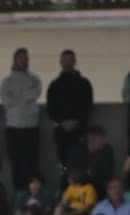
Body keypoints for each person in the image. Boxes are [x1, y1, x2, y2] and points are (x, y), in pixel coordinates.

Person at [47, 50, 94, 183]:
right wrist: (62, 122)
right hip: (61, 131)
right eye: (65, 60)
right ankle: (65, 187)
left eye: (70, 60)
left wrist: (77, 121)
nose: (68, 63)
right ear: (61, 62)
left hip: (79, 130)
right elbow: (50, 108)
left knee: (79, 162)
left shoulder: (84, 83)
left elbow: (88, 106)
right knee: (64, 163)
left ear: (74, 62)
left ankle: (80, 187)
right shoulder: (55, 85)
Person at [1, 48, 43, 191]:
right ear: (14, 60)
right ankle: (18, 193)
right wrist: (24, 97)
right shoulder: (6, 82)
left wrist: (17, 97)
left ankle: (32, 193)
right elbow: (6, 101)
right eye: (21, 58)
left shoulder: (34, 79)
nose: (24, 61)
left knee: (30, 163)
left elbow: (35, 93)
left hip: (31, 126)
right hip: (12, 127)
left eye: (26, 58)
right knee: (15, 162)